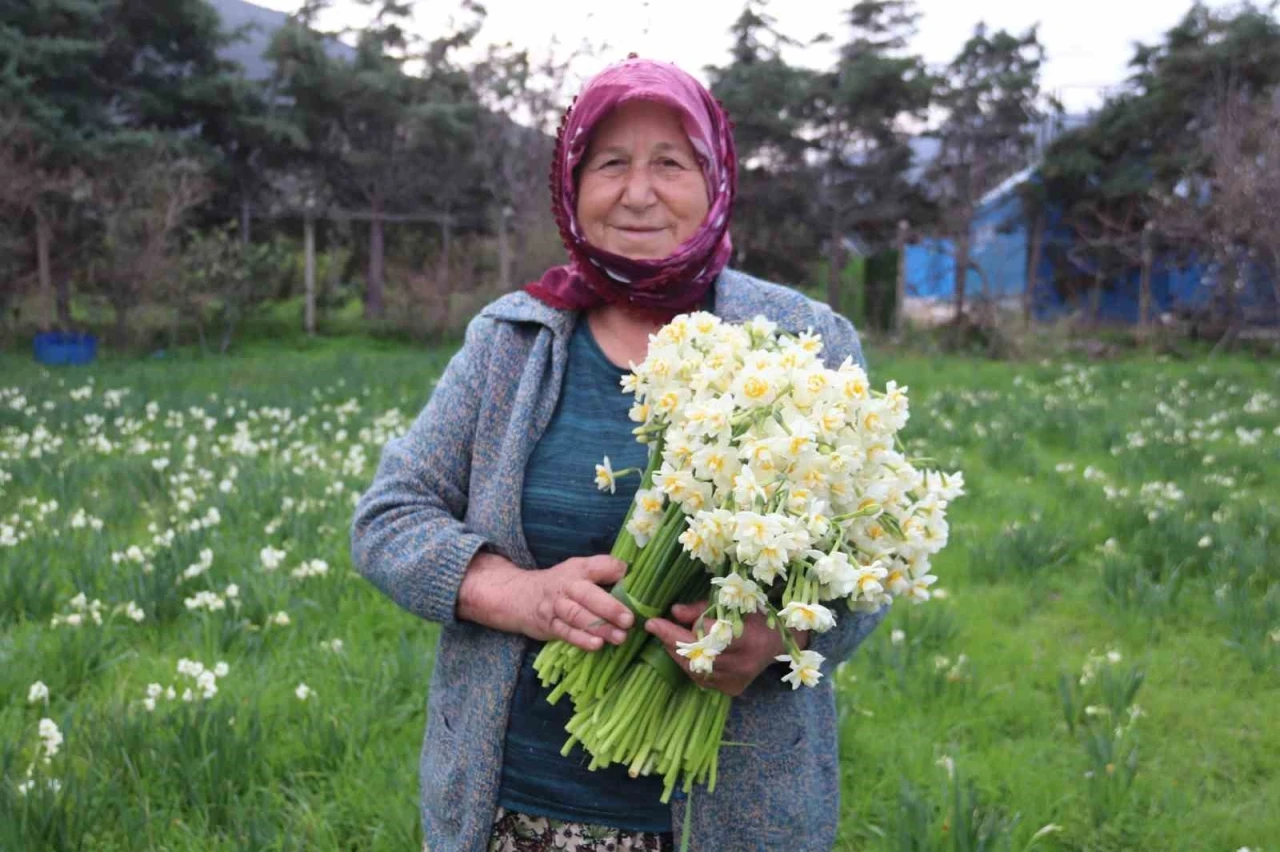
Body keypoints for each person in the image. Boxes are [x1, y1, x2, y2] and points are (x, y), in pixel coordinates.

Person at [350, 56, 887, 852]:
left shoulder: (801, 342)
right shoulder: (514, 340)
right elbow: (388, 519)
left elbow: (866, 560)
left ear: (716, 181)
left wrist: (776, 641)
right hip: (514, 813)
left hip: (731, 819)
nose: (639, 193)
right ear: (572, 187)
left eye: (670, 163)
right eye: (610, 165)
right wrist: (519, 594)